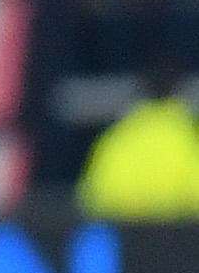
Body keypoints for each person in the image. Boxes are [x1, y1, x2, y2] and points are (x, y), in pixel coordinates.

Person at [78, 68, 199, 220]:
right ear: (180, 90)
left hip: (124, 238)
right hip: (184, 239)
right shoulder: (191, 137)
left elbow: (93, 200)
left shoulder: (115, 139)